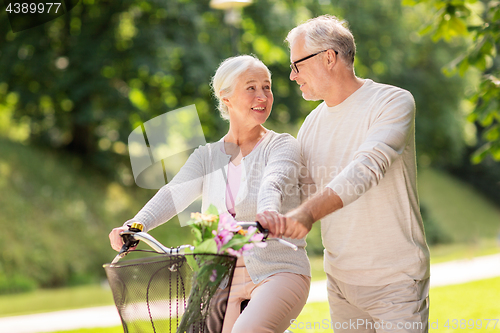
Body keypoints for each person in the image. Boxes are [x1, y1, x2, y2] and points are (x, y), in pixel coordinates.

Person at [109, 55, 311, 333]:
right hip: (218, 275)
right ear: (225, 97)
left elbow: (274, 181)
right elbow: (173, 194)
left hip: (278, 269)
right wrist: (135, 225)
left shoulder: (281, 146)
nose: (263, 95)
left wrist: (268, 211)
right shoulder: (206, 157)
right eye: (251, 87)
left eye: (267, 86)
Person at [257, 15, 430, 332]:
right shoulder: (311, 124)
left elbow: (367, 167)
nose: (293, 76)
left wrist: (306, 214)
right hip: (341, 284)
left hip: (395, 279)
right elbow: (299, 193)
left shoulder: (392, 101)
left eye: (297, 65)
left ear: (328, 57)